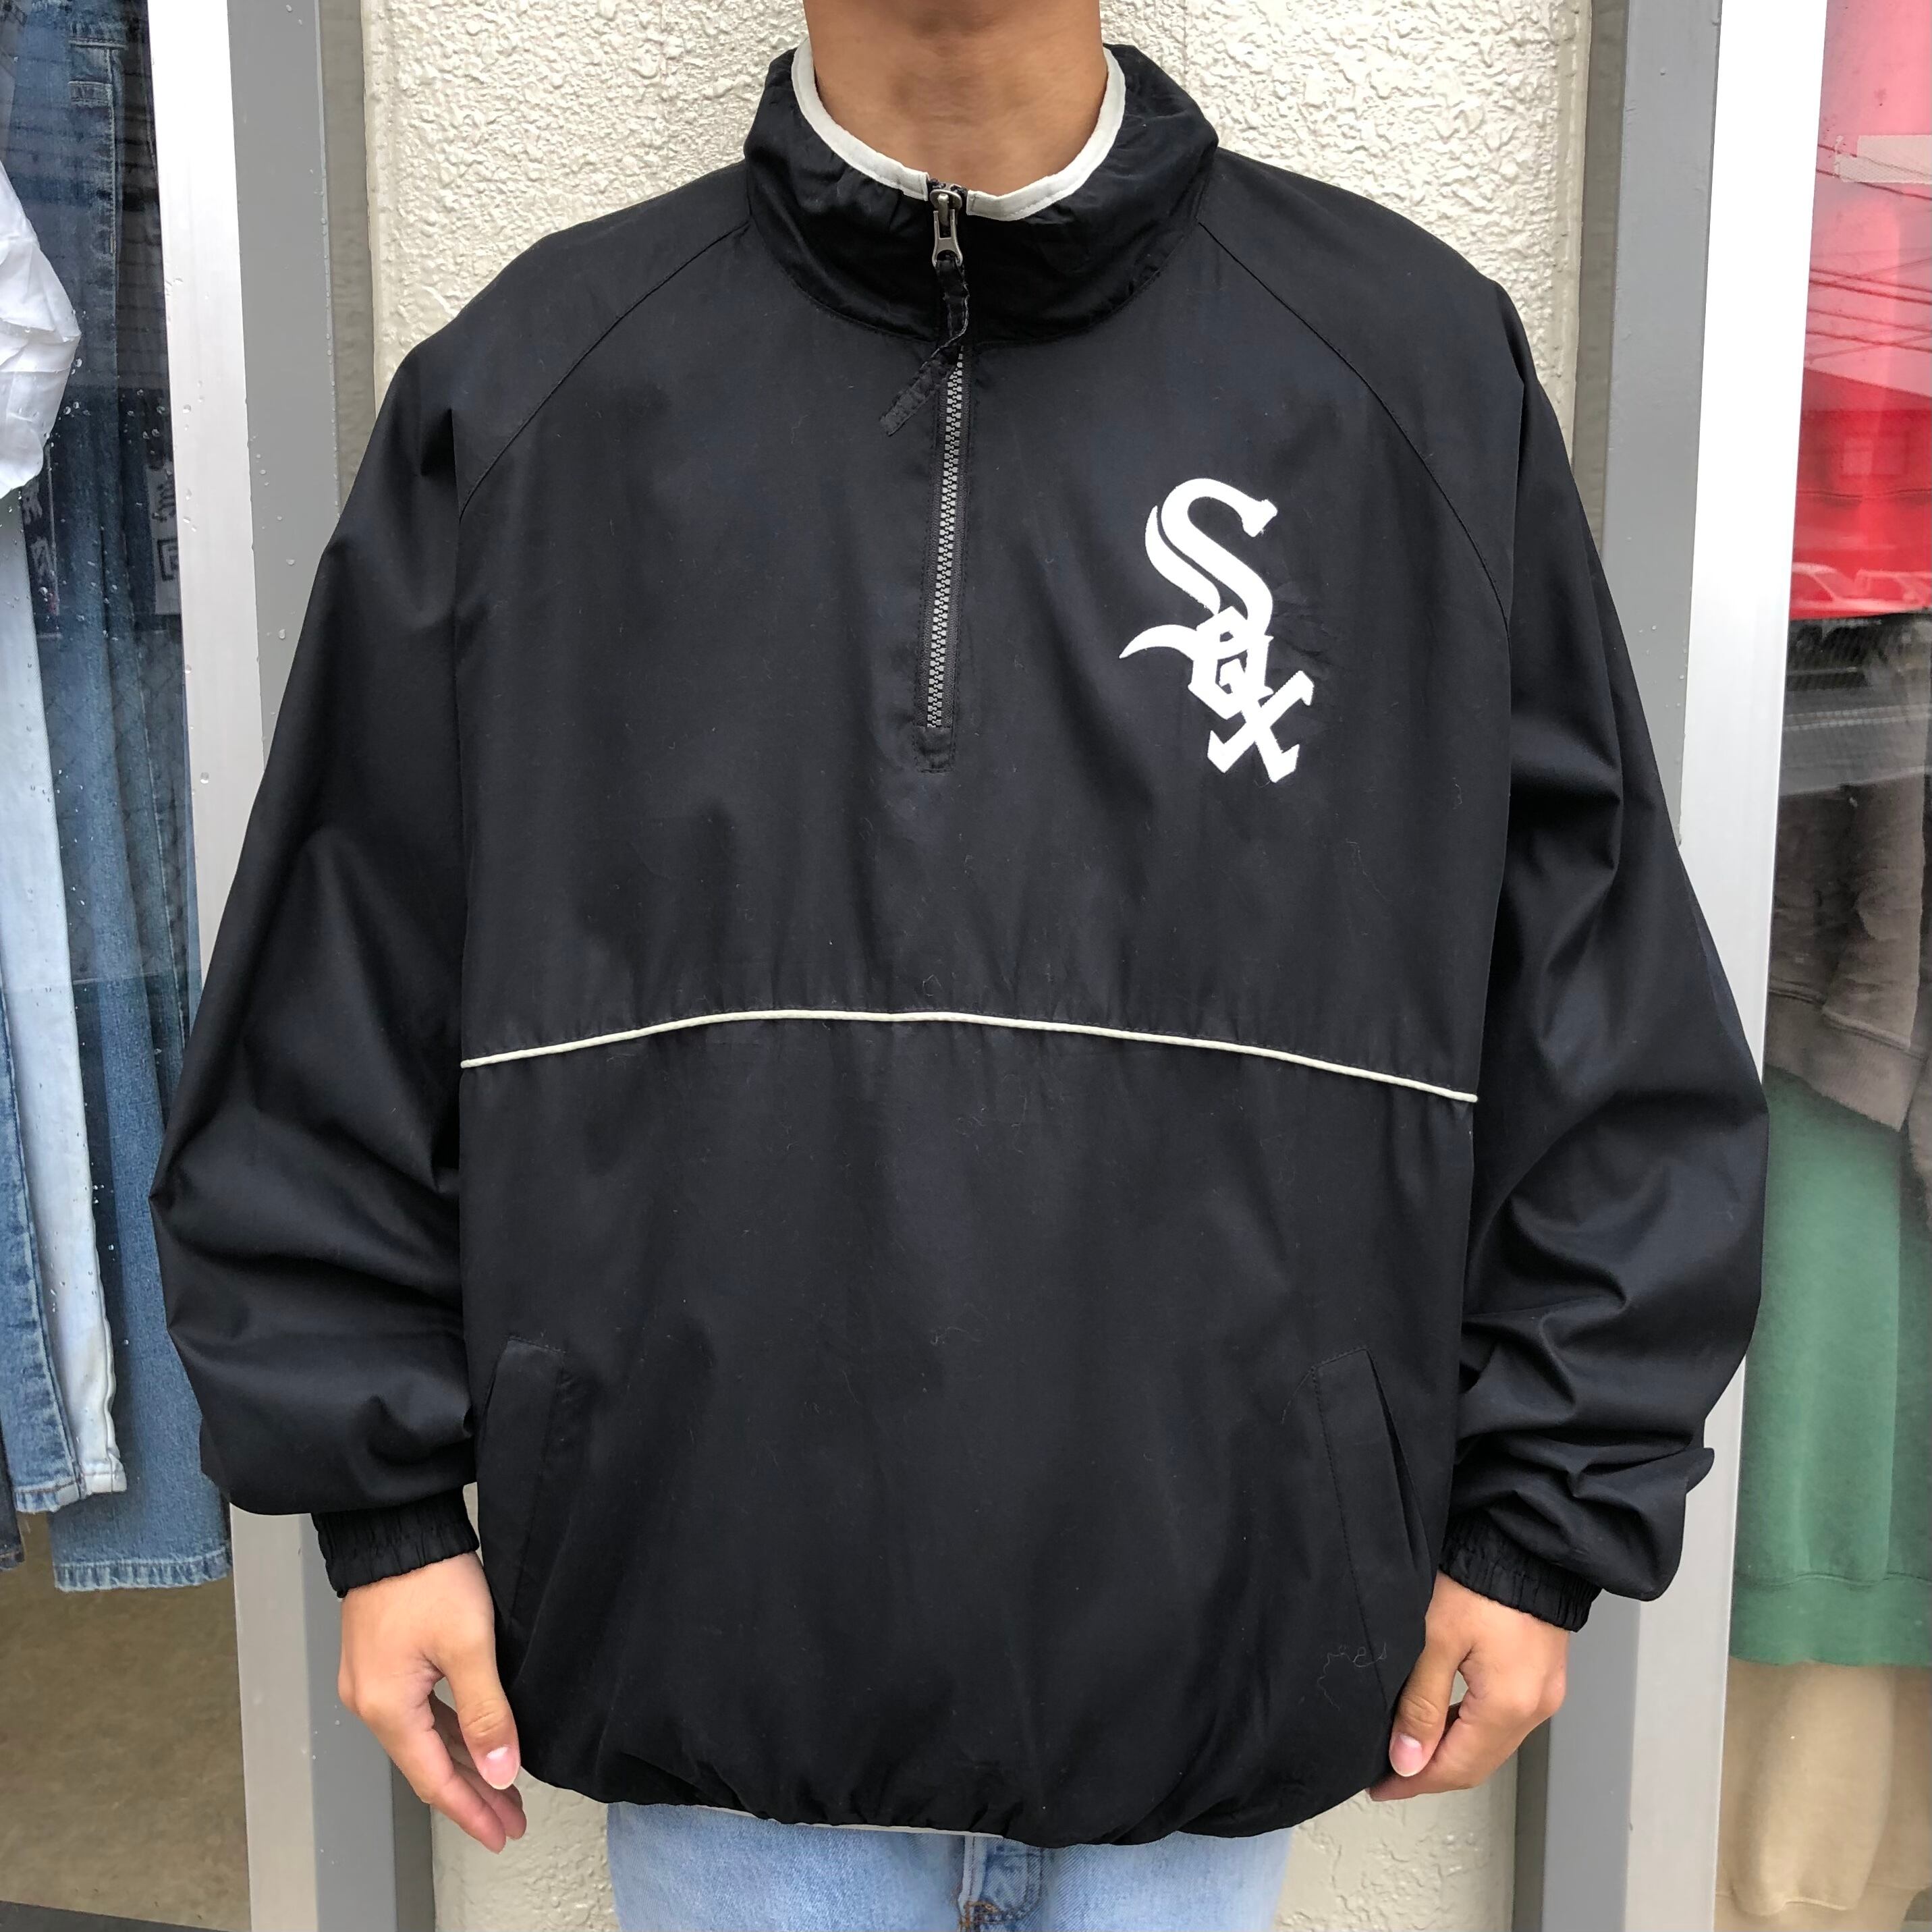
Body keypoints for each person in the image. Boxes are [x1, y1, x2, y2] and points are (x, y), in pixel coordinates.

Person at [148, 1, 1769, 1927]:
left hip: (1210, 1672)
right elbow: (337, 982)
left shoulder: (1407, 375)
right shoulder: (536, 392)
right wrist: (388, 1507)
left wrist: (1543, 1522)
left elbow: (1599, 991)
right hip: (727, 1680)